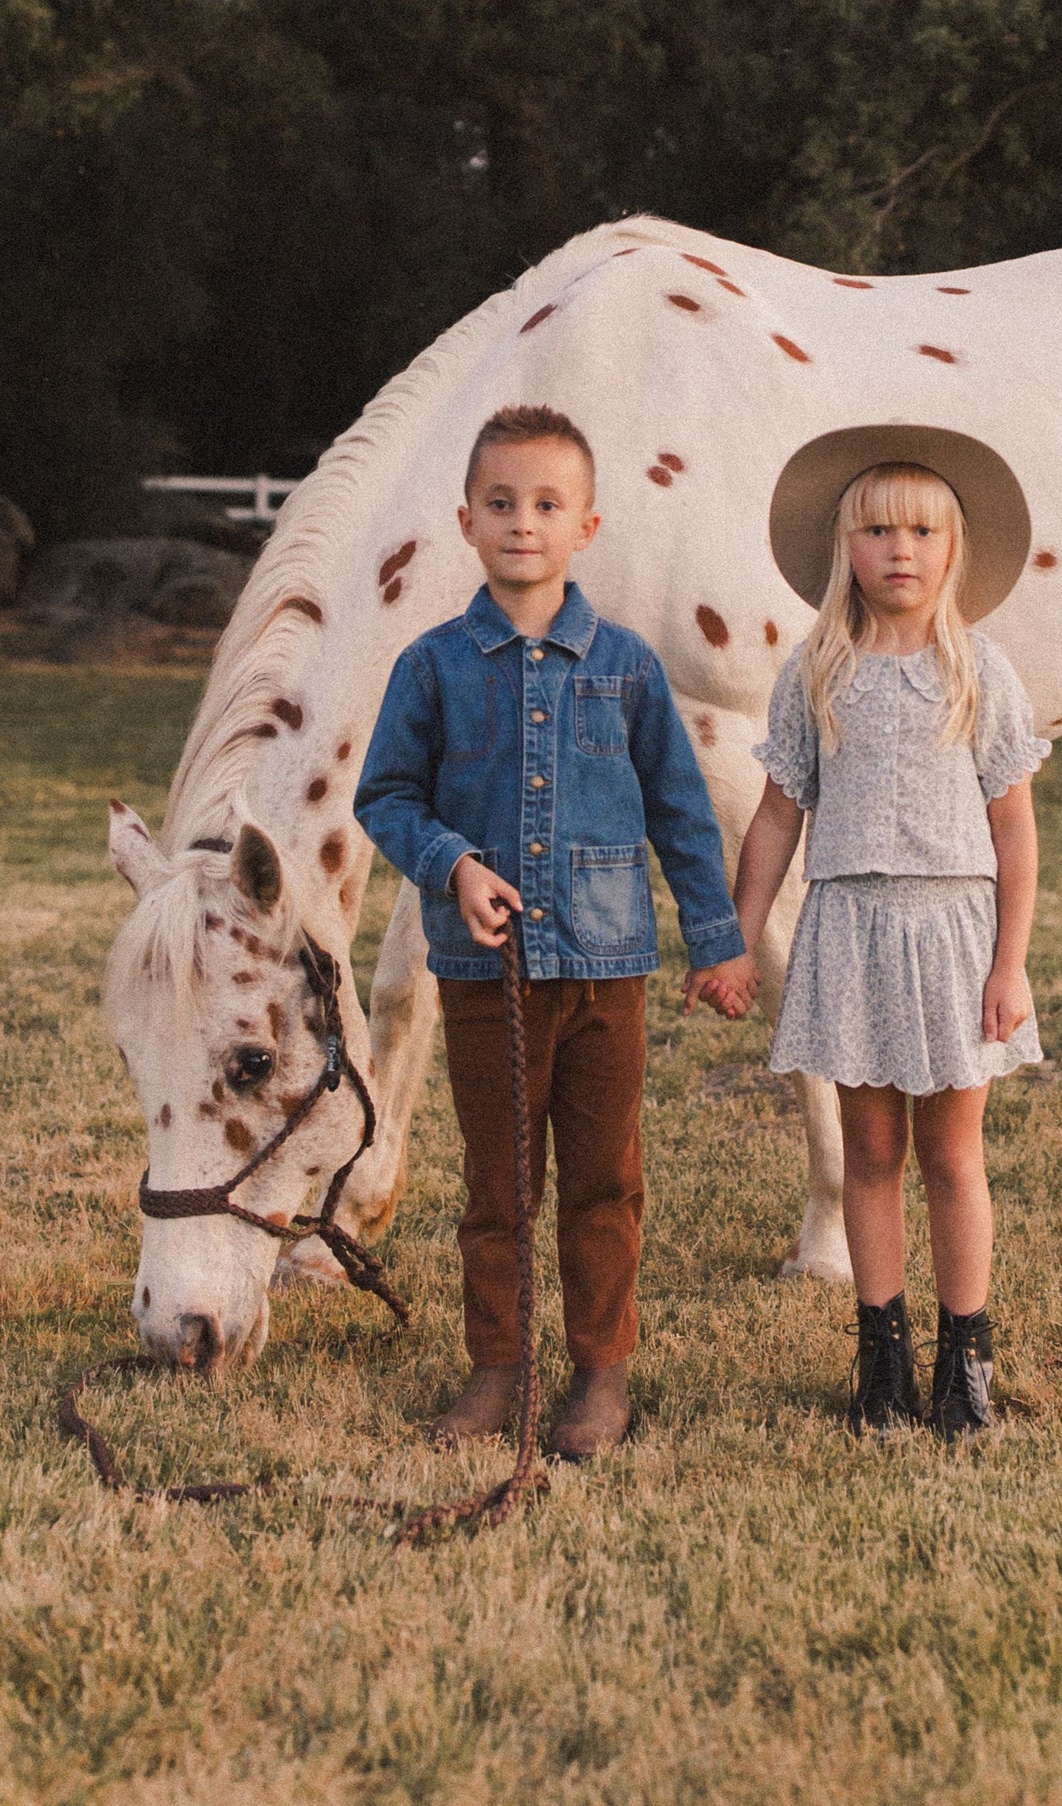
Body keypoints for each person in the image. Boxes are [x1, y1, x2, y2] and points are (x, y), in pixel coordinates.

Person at [355, 403, 756, 1458]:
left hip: (607, 971)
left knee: (602, 1180)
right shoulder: (433, 667)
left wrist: (714, 939)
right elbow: (385, 797)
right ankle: (497, 1368)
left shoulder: (623, 666)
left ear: (586, 525)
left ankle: (599, 1374)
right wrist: (452, 866)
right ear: (465, 521)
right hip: (485, 977)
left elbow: (678, 808)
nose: (521, 522)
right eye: (500, 503)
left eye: (545, 504)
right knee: (498, 1187)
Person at [722, 425, 1048, 1441]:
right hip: (849, 928)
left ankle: (965, 1360)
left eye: (918, 530)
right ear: (843, 548)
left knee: (951, 1156)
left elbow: (1012, 827)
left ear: (951, 550)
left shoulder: (978, 671)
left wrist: (1009, 963)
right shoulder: (815, 669)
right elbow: (777, 813)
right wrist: (735, 935)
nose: (897, 548)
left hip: (953, 933)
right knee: (868, 1152)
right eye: (874, 529)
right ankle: (879, 1359)